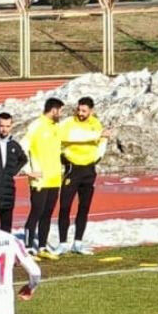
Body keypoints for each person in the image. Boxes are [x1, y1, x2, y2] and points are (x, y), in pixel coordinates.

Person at [56, 98, 111, 256]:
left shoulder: (96, 123)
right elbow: (70, 136)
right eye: (78, 110)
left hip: (88, 170)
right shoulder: (68, 123)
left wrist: (97, 157)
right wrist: (97, 134)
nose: (80, 113)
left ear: (91, 111)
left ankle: (78, 242)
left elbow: (102, 143)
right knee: (65, 206)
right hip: (72, 169)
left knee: (84, 207)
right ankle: (62, 243)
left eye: (84, 111)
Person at [22, 98, 65, 259]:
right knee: (36, 212)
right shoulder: (36, 126)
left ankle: (41, 246)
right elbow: (22, 148)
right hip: (40, 180)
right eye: (60, 111)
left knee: (47, 214)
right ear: (53, 110)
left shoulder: (56, 127)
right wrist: (29, 170)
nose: (61, 114)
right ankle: (27, 248)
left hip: (54, 179)